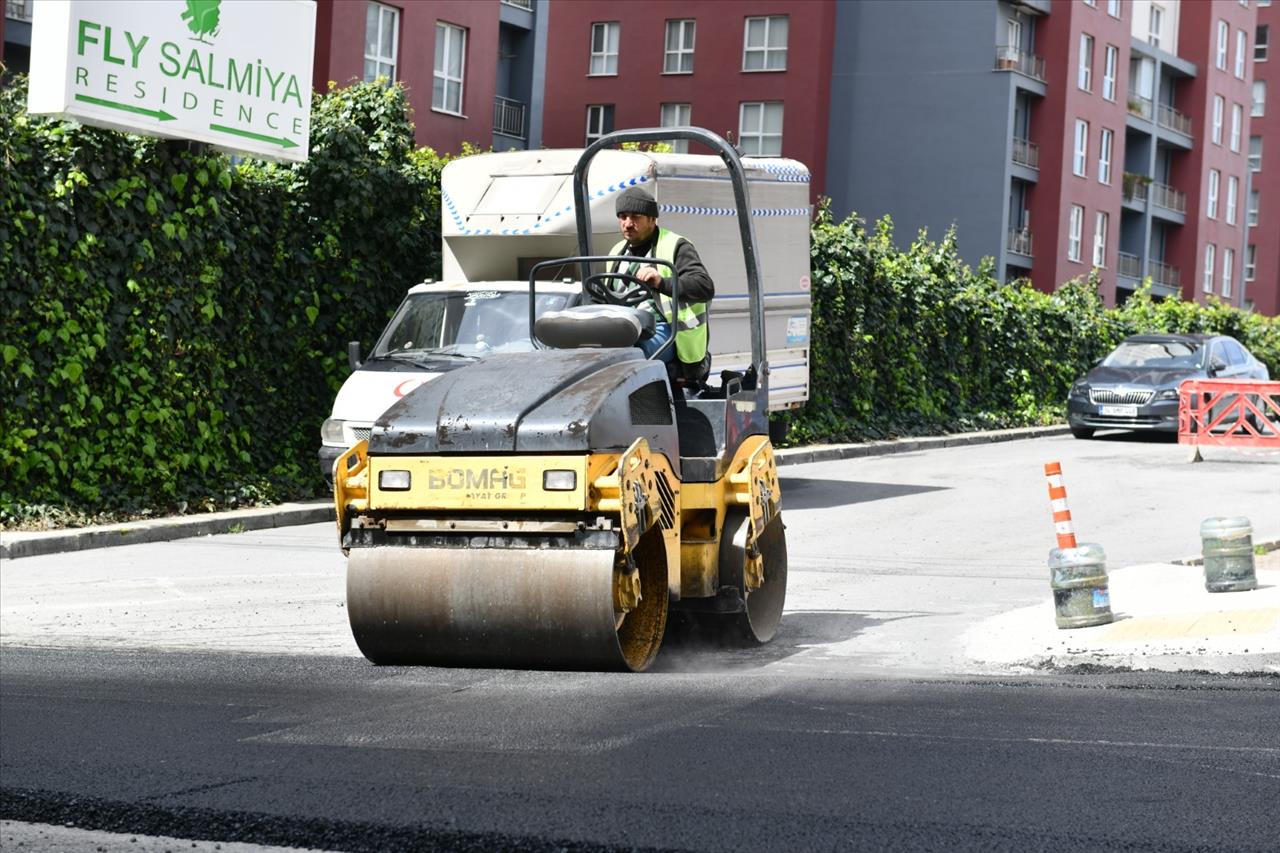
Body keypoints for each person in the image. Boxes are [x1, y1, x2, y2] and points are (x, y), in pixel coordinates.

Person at [605, 186, 714, 381]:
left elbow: (703, 286)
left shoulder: (676, 246)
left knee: (631, 354)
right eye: (623, 216)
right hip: (623, 327)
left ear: (652, 219)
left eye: (635, 217)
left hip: (664, 331)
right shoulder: (616, 252)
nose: (628, 224)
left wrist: (661, 282)